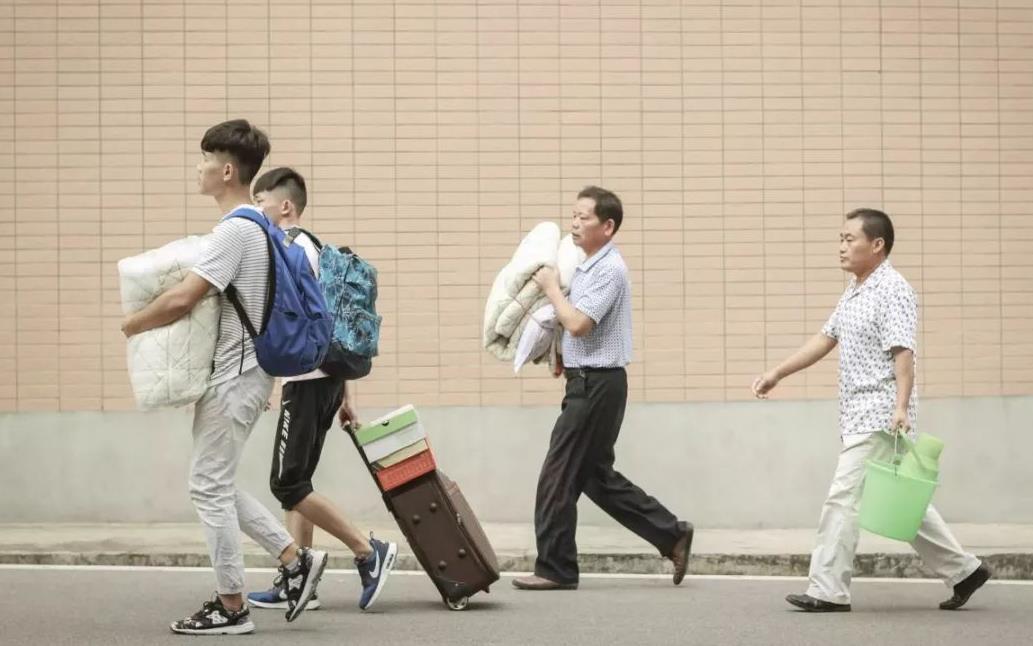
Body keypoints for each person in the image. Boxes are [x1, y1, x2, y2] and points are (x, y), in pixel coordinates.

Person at [121, 120, 326, 634]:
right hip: (248, 374)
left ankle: (232, 605)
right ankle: (293, 559)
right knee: (214, 483)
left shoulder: (235, 230)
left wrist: (132, 324)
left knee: (207, 487)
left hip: (235, 374)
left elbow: (182, 298)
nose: (199, 168)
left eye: (205, 159)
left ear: (228, 170)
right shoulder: (259, 225)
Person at [751, 208, 991, 612]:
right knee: (900, 501)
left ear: (877, 245)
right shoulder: (855, 289)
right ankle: (965, 571)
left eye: (850, 239)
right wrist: (777, 372)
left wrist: (900, 407)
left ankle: (827, 589)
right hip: (859, 413)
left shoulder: (893, 289)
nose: (841, 246)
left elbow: (903, 353)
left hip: (879, 414)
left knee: (842, 499)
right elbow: (826, 338)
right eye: (840, 239)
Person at [512, 186, 694, 591]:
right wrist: (565, 356)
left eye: (584, 217)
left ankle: (555, 568)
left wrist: (551, 288)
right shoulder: (587, 266)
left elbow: (579, 323)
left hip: (597, 385)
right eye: (573, 216)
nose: (575, 224)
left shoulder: (610, 269)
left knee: (557, 475)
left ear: (607, 226)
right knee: (594, 477)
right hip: (590, 381)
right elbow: (577, 328)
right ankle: (672, 534)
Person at [247, 167, 397, 612]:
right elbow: (333, 325)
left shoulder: (289, 250)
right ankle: (298, 580)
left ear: (284, 206)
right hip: (325, 380)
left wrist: (266, 377)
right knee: (299, 482)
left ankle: (368, 551)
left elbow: (282, 323)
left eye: (260, 203)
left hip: (307, 382)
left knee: (287, 484)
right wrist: (345, 394)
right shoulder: (316, 249)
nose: (256, 212)